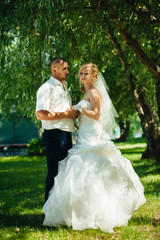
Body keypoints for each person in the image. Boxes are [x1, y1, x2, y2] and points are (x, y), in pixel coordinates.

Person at [43, 63, 146, 233]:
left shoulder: (94, 92)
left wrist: (81, 108)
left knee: (93, 166)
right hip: (84, 134)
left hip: (93, 135)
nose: (82, 76)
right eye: (81, 73)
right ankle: (81, 210)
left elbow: (96, 114)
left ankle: (102, 210)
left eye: (86, 74)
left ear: (93, 77)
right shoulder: (84, 92)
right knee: (78, 168)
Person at [35, 57, 78, 202]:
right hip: (54, 135)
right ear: (54, 69)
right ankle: (50, 211)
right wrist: (66, 114)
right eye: (64, 68)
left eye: (67, 68)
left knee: (64, 173)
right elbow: (40, 113)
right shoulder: (46, 88)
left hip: (65, 134)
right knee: (54, 173)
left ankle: (60, 210)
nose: (67, 71)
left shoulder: (64, 86)